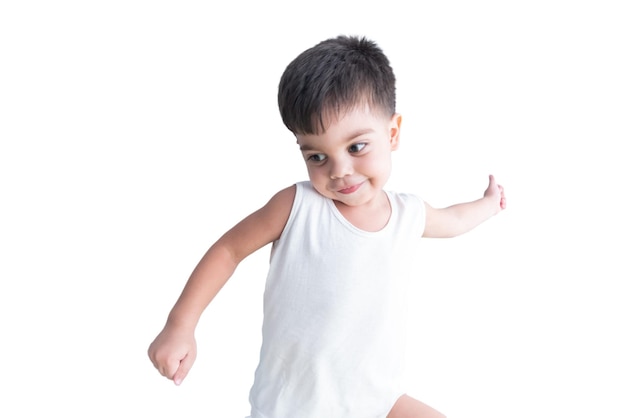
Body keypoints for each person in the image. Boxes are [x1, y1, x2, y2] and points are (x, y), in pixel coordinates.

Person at [148, 35, 506, 418]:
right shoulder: (298, 207)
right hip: (296, 407)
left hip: (376, 401)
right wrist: (179, 324)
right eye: (317, 155)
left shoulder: (408, 214)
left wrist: (487, 205)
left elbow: (452, 220)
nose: (339, 171)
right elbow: (228, 250)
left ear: (392, 133)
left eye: (356, 148)